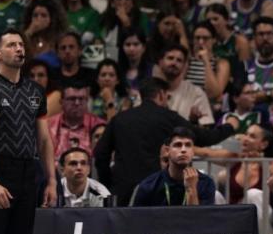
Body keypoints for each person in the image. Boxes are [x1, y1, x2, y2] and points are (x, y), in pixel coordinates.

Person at [93, 77, 237, 205]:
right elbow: (205, 137)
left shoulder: (120, 119)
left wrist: (110, 183)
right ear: (161, 94)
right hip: (157, 191)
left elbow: (100, 154)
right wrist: (230, 126)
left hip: (124, 190)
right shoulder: (169, 118)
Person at [0, 30, 57, 234]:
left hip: (28, 172)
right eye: (11, 45)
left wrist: (51, 181)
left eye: (21, 44)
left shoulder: (35, 91)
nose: (19, 49)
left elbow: (45, 139)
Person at [132, 126, 217, 206]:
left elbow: (200, 220)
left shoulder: (206, 183)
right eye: (178, 145)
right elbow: (137, 220)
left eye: (188, 145)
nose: (183, 150)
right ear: (168, 151)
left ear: (193, 152)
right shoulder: (148, 185)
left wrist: (191, 189)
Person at [48, 83, 106, 161]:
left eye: (81, 99)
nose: (77, 103)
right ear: (61, 102)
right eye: (72, 99)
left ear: (87, 101)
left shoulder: (100, 125)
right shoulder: (48, 125)